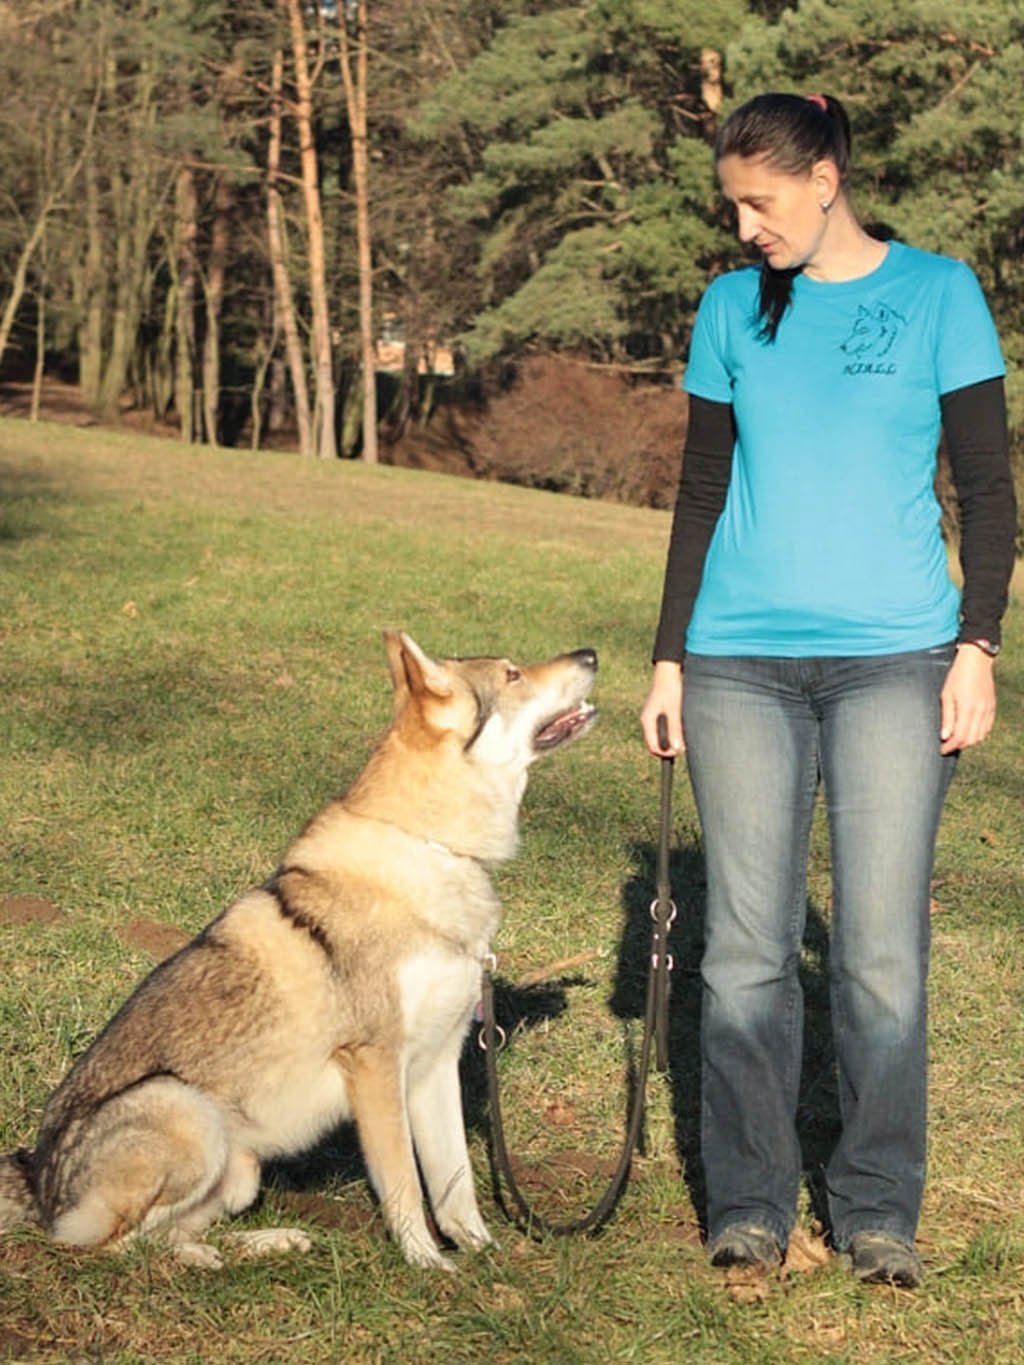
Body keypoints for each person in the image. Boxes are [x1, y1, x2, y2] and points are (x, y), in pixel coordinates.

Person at [640, 92, 1017, 1289]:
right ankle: (748, 1202)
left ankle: (873, 1210)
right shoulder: (726, 308)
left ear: (824, 179)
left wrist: (978, 646)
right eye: (733, 204)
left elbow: (989, 491)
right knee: (745, 950)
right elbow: (700, 490)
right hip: (737, 662)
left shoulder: (940, 295)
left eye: (759, 201)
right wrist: (667, 656)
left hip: (898, 662)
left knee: (877, 953)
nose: (745, 225)